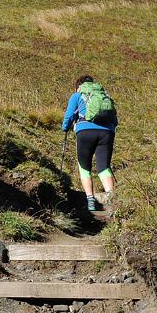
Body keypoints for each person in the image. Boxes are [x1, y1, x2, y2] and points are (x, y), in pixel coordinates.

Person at [61, 75, 118, 212]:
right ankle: (113, 201)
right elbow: (114, 119)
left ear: (78, 85)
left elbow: (69, 116)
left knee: (84, 167)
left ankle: (90, 201)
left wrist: (65, 127)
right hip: (107, 132)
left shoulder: (77, 95)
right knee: (104, 167)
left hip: (85, 131)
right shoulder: (104, 95)